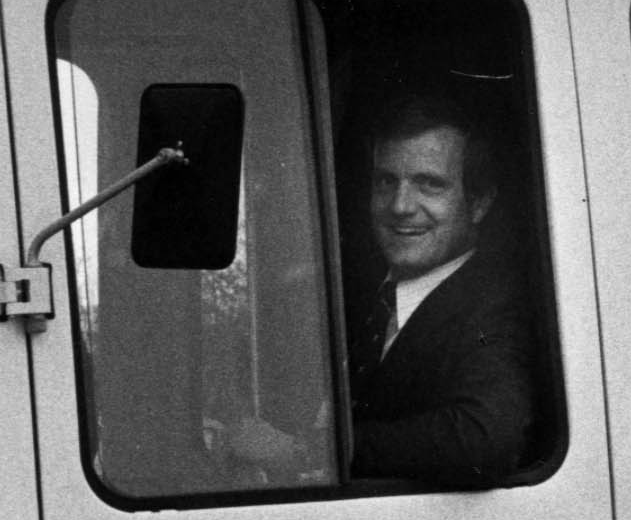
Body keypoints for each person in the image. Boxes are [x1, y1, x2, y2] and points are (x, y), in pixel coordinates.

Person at [228, 94, 539, 488]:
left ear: (478, 203)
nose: (400, 205)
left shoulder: (498, 306)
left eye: (429, 184)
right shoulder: (365, 303)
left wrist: (306, 451)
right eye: (386, 181)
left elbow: (485, 438)